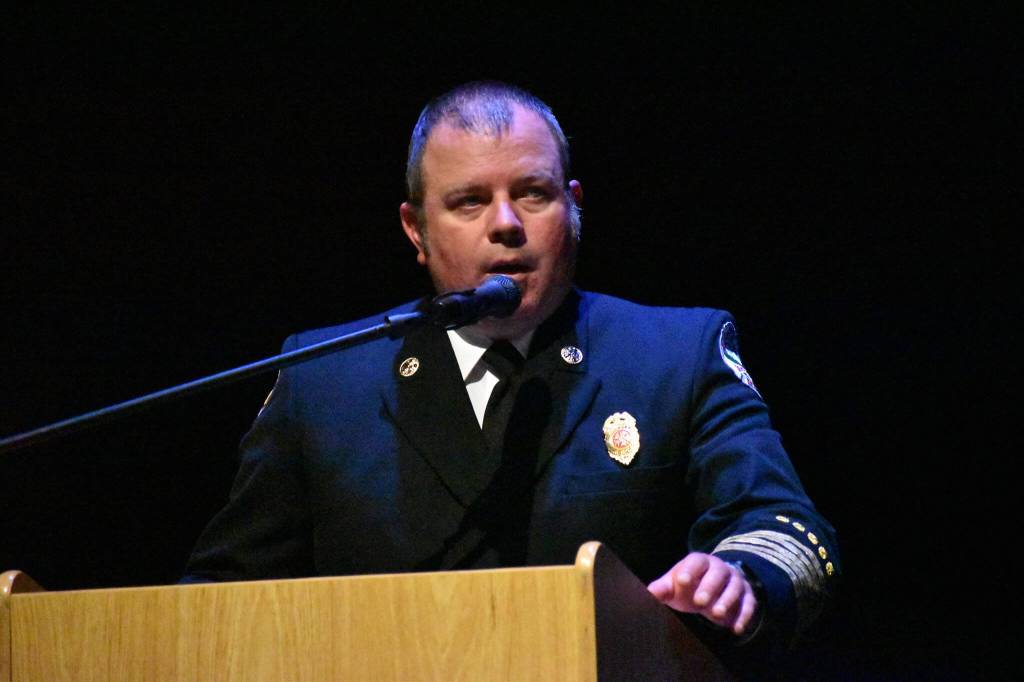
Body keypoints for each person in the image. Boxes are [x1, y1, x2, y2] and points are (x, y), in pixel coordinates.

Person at [184, 81, 838, 654]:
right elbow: (217, 600)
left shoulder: (676, 353)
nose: (505, 225)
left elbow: (789, 533)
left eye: (533, 194)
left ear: (574, 205)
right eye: (469, 202)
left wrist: (739, 579)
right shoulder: (324, 381)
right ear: (416, 229)